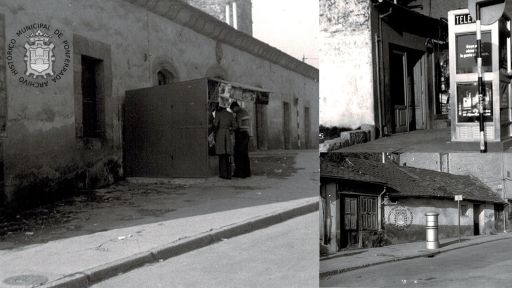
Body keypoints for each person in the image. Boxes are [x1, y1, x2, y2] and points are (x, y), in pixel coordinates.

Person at [213, 104, 236, 179]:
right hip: (227, 134)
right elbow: (235, 126)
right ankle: (229, 174)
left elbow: (215, 124)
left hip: (220, 134)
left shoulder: (218, 114)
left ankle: (223, 174)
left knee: (221, 154)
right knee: (228, 154)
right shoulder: (230, 114)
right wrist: (230, 130)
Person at [230, 102, 251, 178]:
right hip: (246, 134)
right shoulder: (245, 111)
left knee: (238, 154)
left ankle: (240, 173)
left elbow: (237, 126)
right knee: (245, 154)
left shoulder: (239, 113)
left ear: (235, 107)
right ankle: (247, 172)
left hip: (241, 134)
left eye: (233, 109)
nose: (233, 111)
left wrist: (231, 128)